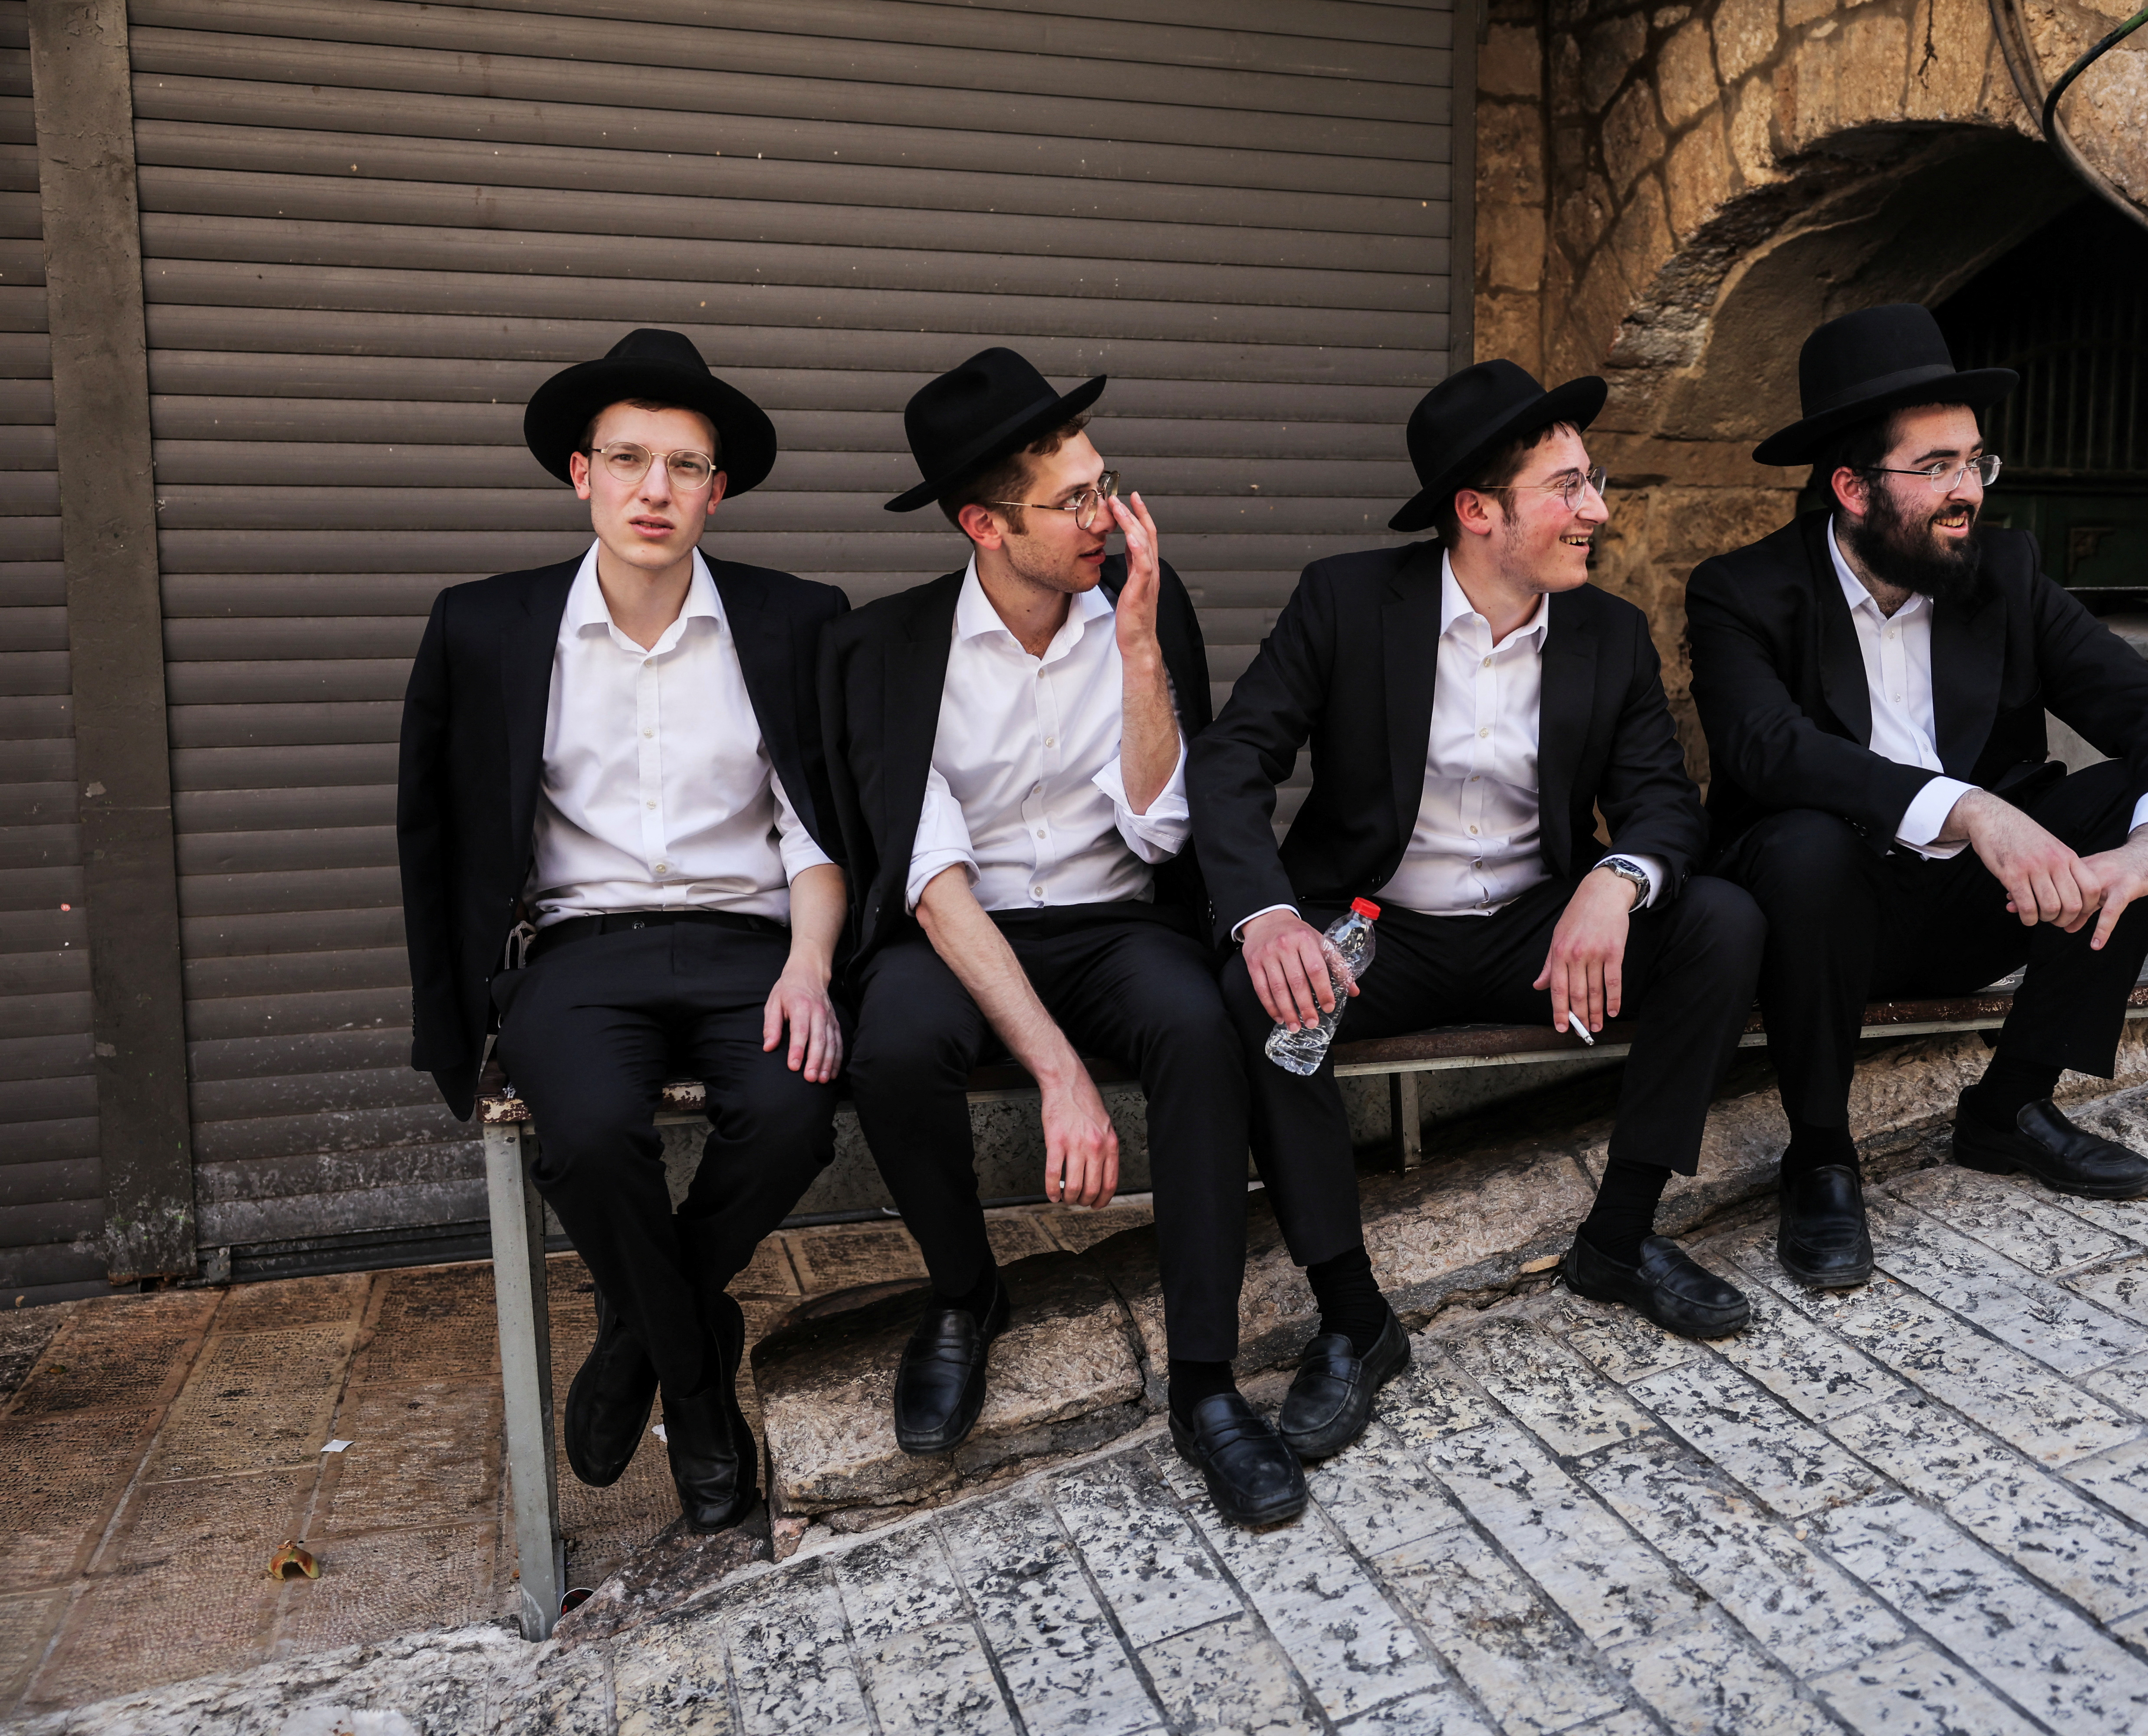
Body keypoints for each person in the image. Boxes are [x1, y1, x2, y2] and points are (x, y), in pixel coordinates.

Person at [1191, 360, 1769, 1463]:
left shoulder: (1608, 631)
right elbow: (1231, 765)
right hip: (1375, 926)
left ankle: (1620, 1235)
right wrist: (1267, 916)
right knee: (1259, 999)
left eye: (1591, 482)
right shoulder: (1347, 600)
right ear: (1478, 510)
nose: (1597, 509)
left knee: (1723, 920)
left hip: (1538, 931)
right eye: (1568, 487)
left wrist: (1617, 880)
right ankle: (1355, 1315)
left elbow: (1659, 800)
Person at [817, 349, 1301, 1526]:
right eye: (1075, 500)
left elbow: (1158, 835)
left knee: (1196, 1024)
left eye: (1106, 482)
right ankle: (965, 1292)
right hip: (962, 931)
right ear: (984, 525)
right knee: (892, 1044)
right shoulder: (888, 651)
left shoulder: (1144, 602)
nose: (1109, 516)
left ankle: (1203, 1381)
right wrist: (1061, 1071)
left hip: (1111, 918)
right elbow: (929, 880)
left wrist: (1136, 648)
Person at [1684, 302, 2148, 1290]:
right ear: (1851, 488)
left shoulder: (2008, 573)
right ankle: (1820, 1154)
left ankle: (2010, 1106)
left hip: (1978, 907)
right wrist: (1969, 806)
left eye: (1975, 462)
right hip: (1815, 917)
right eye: (1935, 466)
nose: (1966, 491)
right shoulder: (1743, 590)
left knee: (2136, 802)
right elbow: (1766, 751)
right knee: (1803, 842)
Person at [399, 329, 849, 1532]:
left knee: (799, 1112)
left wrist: (812, 968)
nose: (656, 491)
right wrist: (452, 1014)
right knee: (589, 1135)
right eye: (630, 461)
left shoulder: (798, 621)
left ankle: (643, 1331)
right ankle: (701, 1390)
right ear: (579, 474)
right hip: (582, 954)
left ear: (721, 489)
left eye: (686, 467)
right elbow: (431, 833)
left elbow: (821, 827)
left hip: (752, 945)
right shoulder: (486, 627)